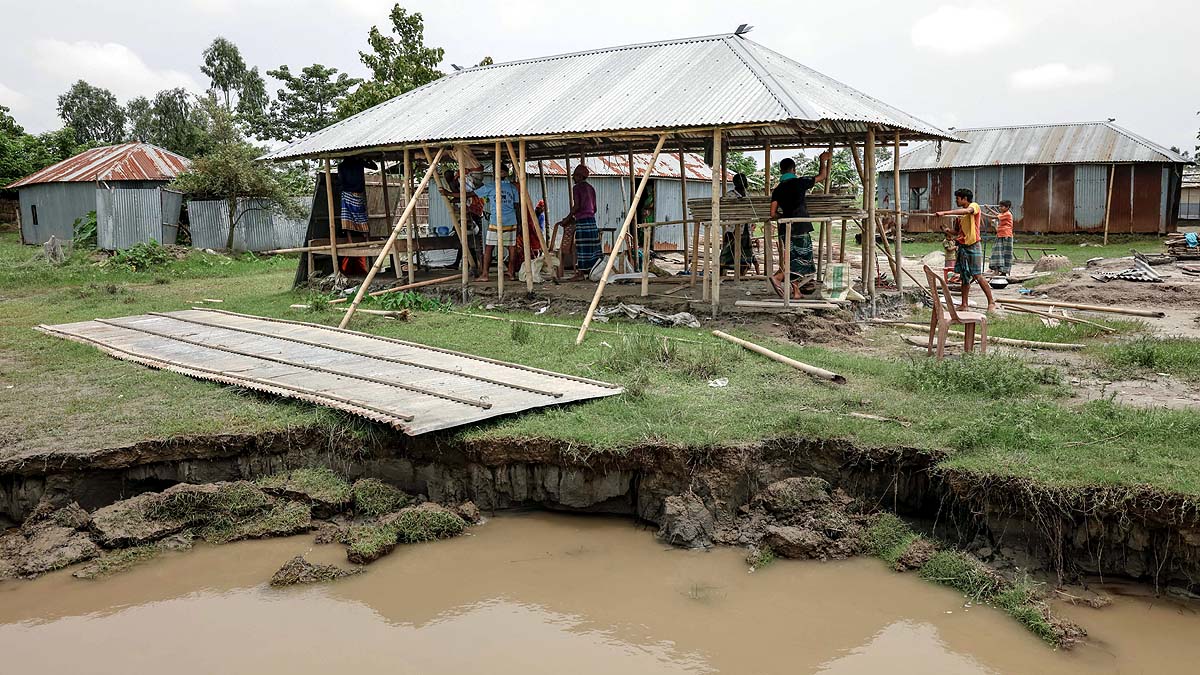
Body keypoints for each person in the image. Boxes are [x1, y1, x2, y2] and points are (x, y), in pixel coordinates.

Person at [769, 151, 830, 298]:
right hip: (800, 227)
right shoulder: (800, 182)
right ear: (793, 170)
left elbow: (772, 213)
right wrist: (822, 161)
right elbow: (822, 176)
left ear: (781, 171)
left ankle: (796, 292)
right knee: (801, 259)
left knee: (791, 257)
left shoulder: (777, 189)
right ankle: (778, 277)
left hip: (785, 227)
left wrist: (784, 216)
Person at [934, 188, 996, 312]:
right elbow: (956, 232)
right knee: (964, 276)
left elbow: (968, 211)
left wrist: (945, 213)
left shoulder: (974, 206)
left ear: (964, 199)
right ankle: (964, 304)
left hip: (973, 245)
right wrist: (947, 231)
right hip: (962, 247)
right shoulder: (959, 216)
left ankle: (991, 302)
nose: (956, 200)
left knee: (977, 275)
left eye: (957, 198)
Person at [469, 163, 520, 282]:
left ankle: (485, 274)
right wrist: (519, 223)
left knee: (489, 248)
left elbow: (472, 194)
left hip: (496, 221)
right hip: (511, 220)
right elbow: (517, 207)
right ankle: (511, 273)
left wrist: (450, 194)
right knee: (511, 247)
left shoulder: (491, 186)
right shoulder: (513, 188)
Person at [565, 164, 600, 280]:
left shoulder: (577, 188)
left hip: (582, 221)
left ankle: (580, 273)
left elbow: (577, 206)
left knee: (581, 247)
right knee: (592, 247)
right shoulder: (591, 188)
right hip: (592, 221)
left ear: (580, 176)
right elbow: (595, 208)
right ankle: (593, 271)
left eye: (575, 176)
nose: (573, 178)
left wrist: (568, 218)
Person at [721, 172, 759, 274]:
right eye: (739, 181)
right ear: (735, 183)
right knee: (728, 254)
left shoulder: (748, 195)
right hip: (733, 229)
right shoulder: (730, 195)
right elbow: (725, 210)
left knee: (745, 255)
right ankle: (722, 273)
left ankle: (742, 274)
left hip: (746, 230)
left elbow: (752, 210)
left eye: (742, 181)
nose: (741, 183)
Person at [336, 156, 377, 235]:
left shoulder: (342, 165)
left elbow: (340, 180)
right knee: (361, 217)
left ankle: (350, 240)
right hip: (355, 193)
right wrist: (369, 159)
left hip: (347, 193)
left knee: (347, 218)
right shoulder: (359, 162)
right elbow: (374, 167)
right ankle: (366, 239)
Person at [984, 200, 1015, 276]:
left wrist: (982, 214)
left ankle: (1003, 271)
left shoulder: (1008, 214)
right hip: (1000, 234)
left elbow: (995, 216)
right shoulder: (1003, 214)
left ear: (1007, 207)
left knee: (1004, 253)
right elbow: (997, 214)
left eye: (1002, 206)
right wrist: (988, 208)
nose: (1000, 208)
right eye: (1000, 206)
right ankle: (997, 270)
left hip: (1006, 235)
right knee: (998, 253)